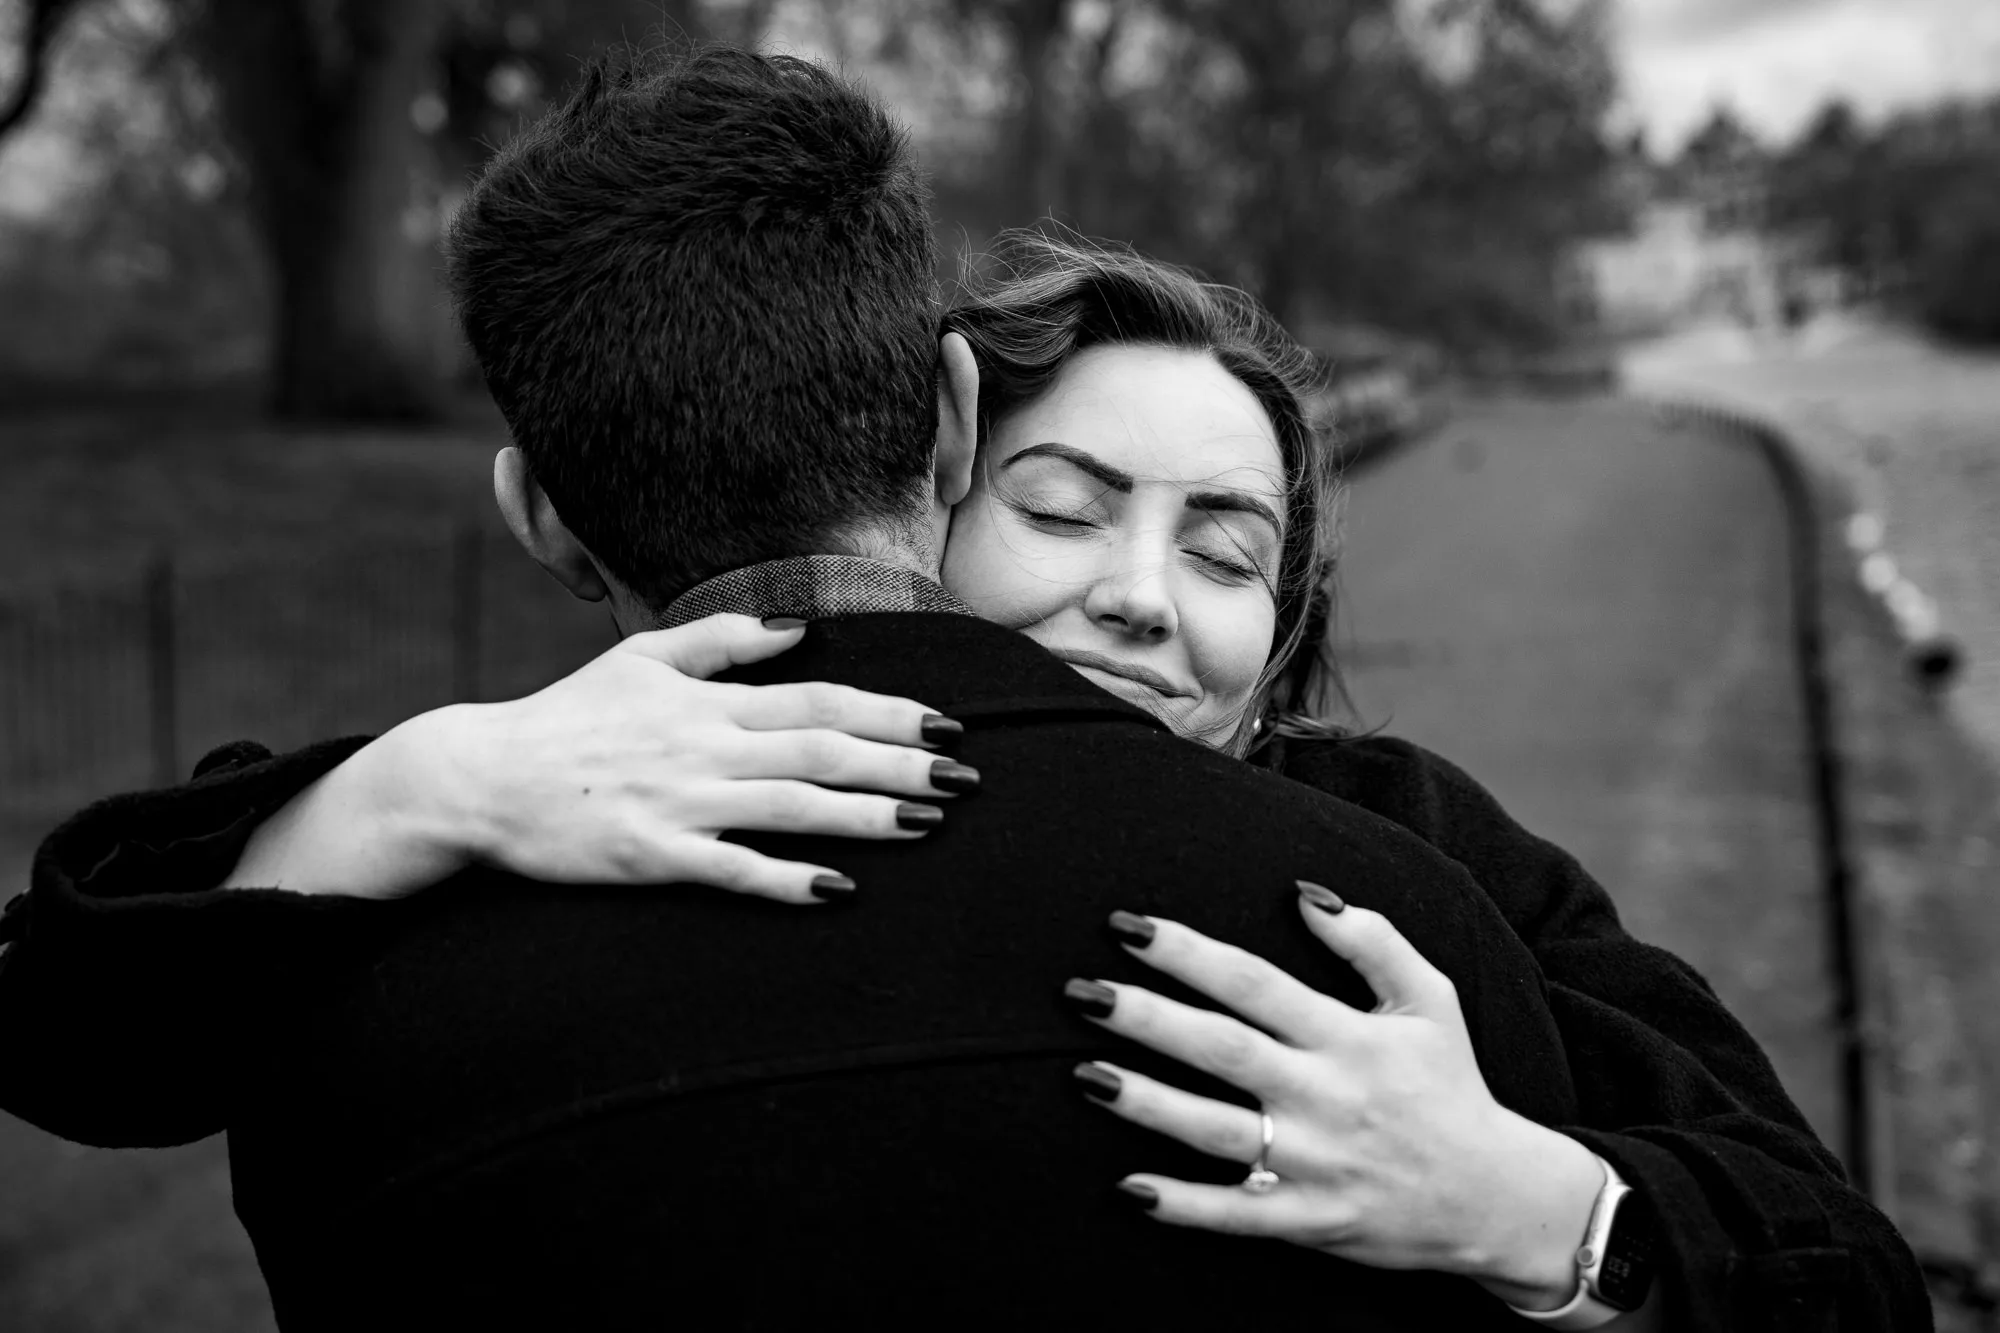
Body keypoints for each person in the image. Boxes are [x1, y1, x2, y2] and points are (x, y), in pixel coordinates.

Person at [0, 46, 1923, 1333]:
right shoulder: (544, 784)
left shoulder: (1415, 870)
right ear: (942, 451)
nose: (1137, 599)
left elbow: (1840, 1267)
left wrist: (1548, 1213)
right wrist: (406, 785)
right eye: (1066, 505)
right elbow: (67, 1018)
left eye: (1231, 552)